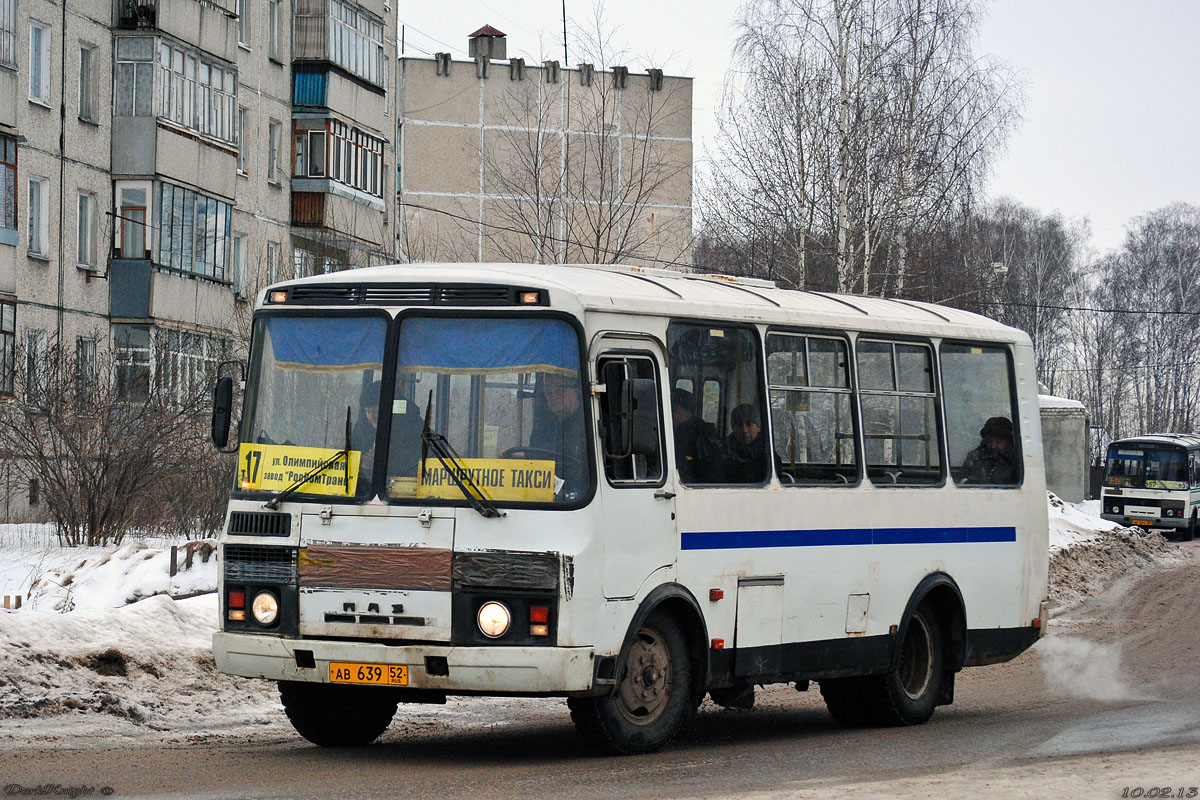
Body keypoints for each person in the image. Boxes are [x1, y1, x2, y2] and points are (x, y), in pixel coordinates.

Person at [527, 371, 587, 495]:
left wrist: (526, 455)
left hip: (579, 492)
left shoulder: (587, 420)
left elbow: (574, 447)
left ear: (575, 391)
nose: (553, 397)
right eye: (549, 393)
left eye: (559, 391)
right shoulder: (545, 426)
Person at [671, 388, 725, 483]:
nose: (671, 414)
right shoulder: (680, 432)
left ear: (676, 409)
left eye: (673, 409)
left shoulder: (701, 436)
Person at [961, 416, 1017, 484]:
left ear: (1008, 442)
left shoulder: (1016, 461)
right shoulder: (974, 457)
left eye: (998, 442)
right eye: (989, 441)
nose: (993, 446)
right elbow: (962, 479)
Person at [724, 403, 771, 483]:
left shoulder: (767, 450)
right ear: (733, 428)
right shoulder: (724, 449)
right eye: (739, 425)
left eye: (749, 424)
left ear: (758, 427)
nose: (744, 430)